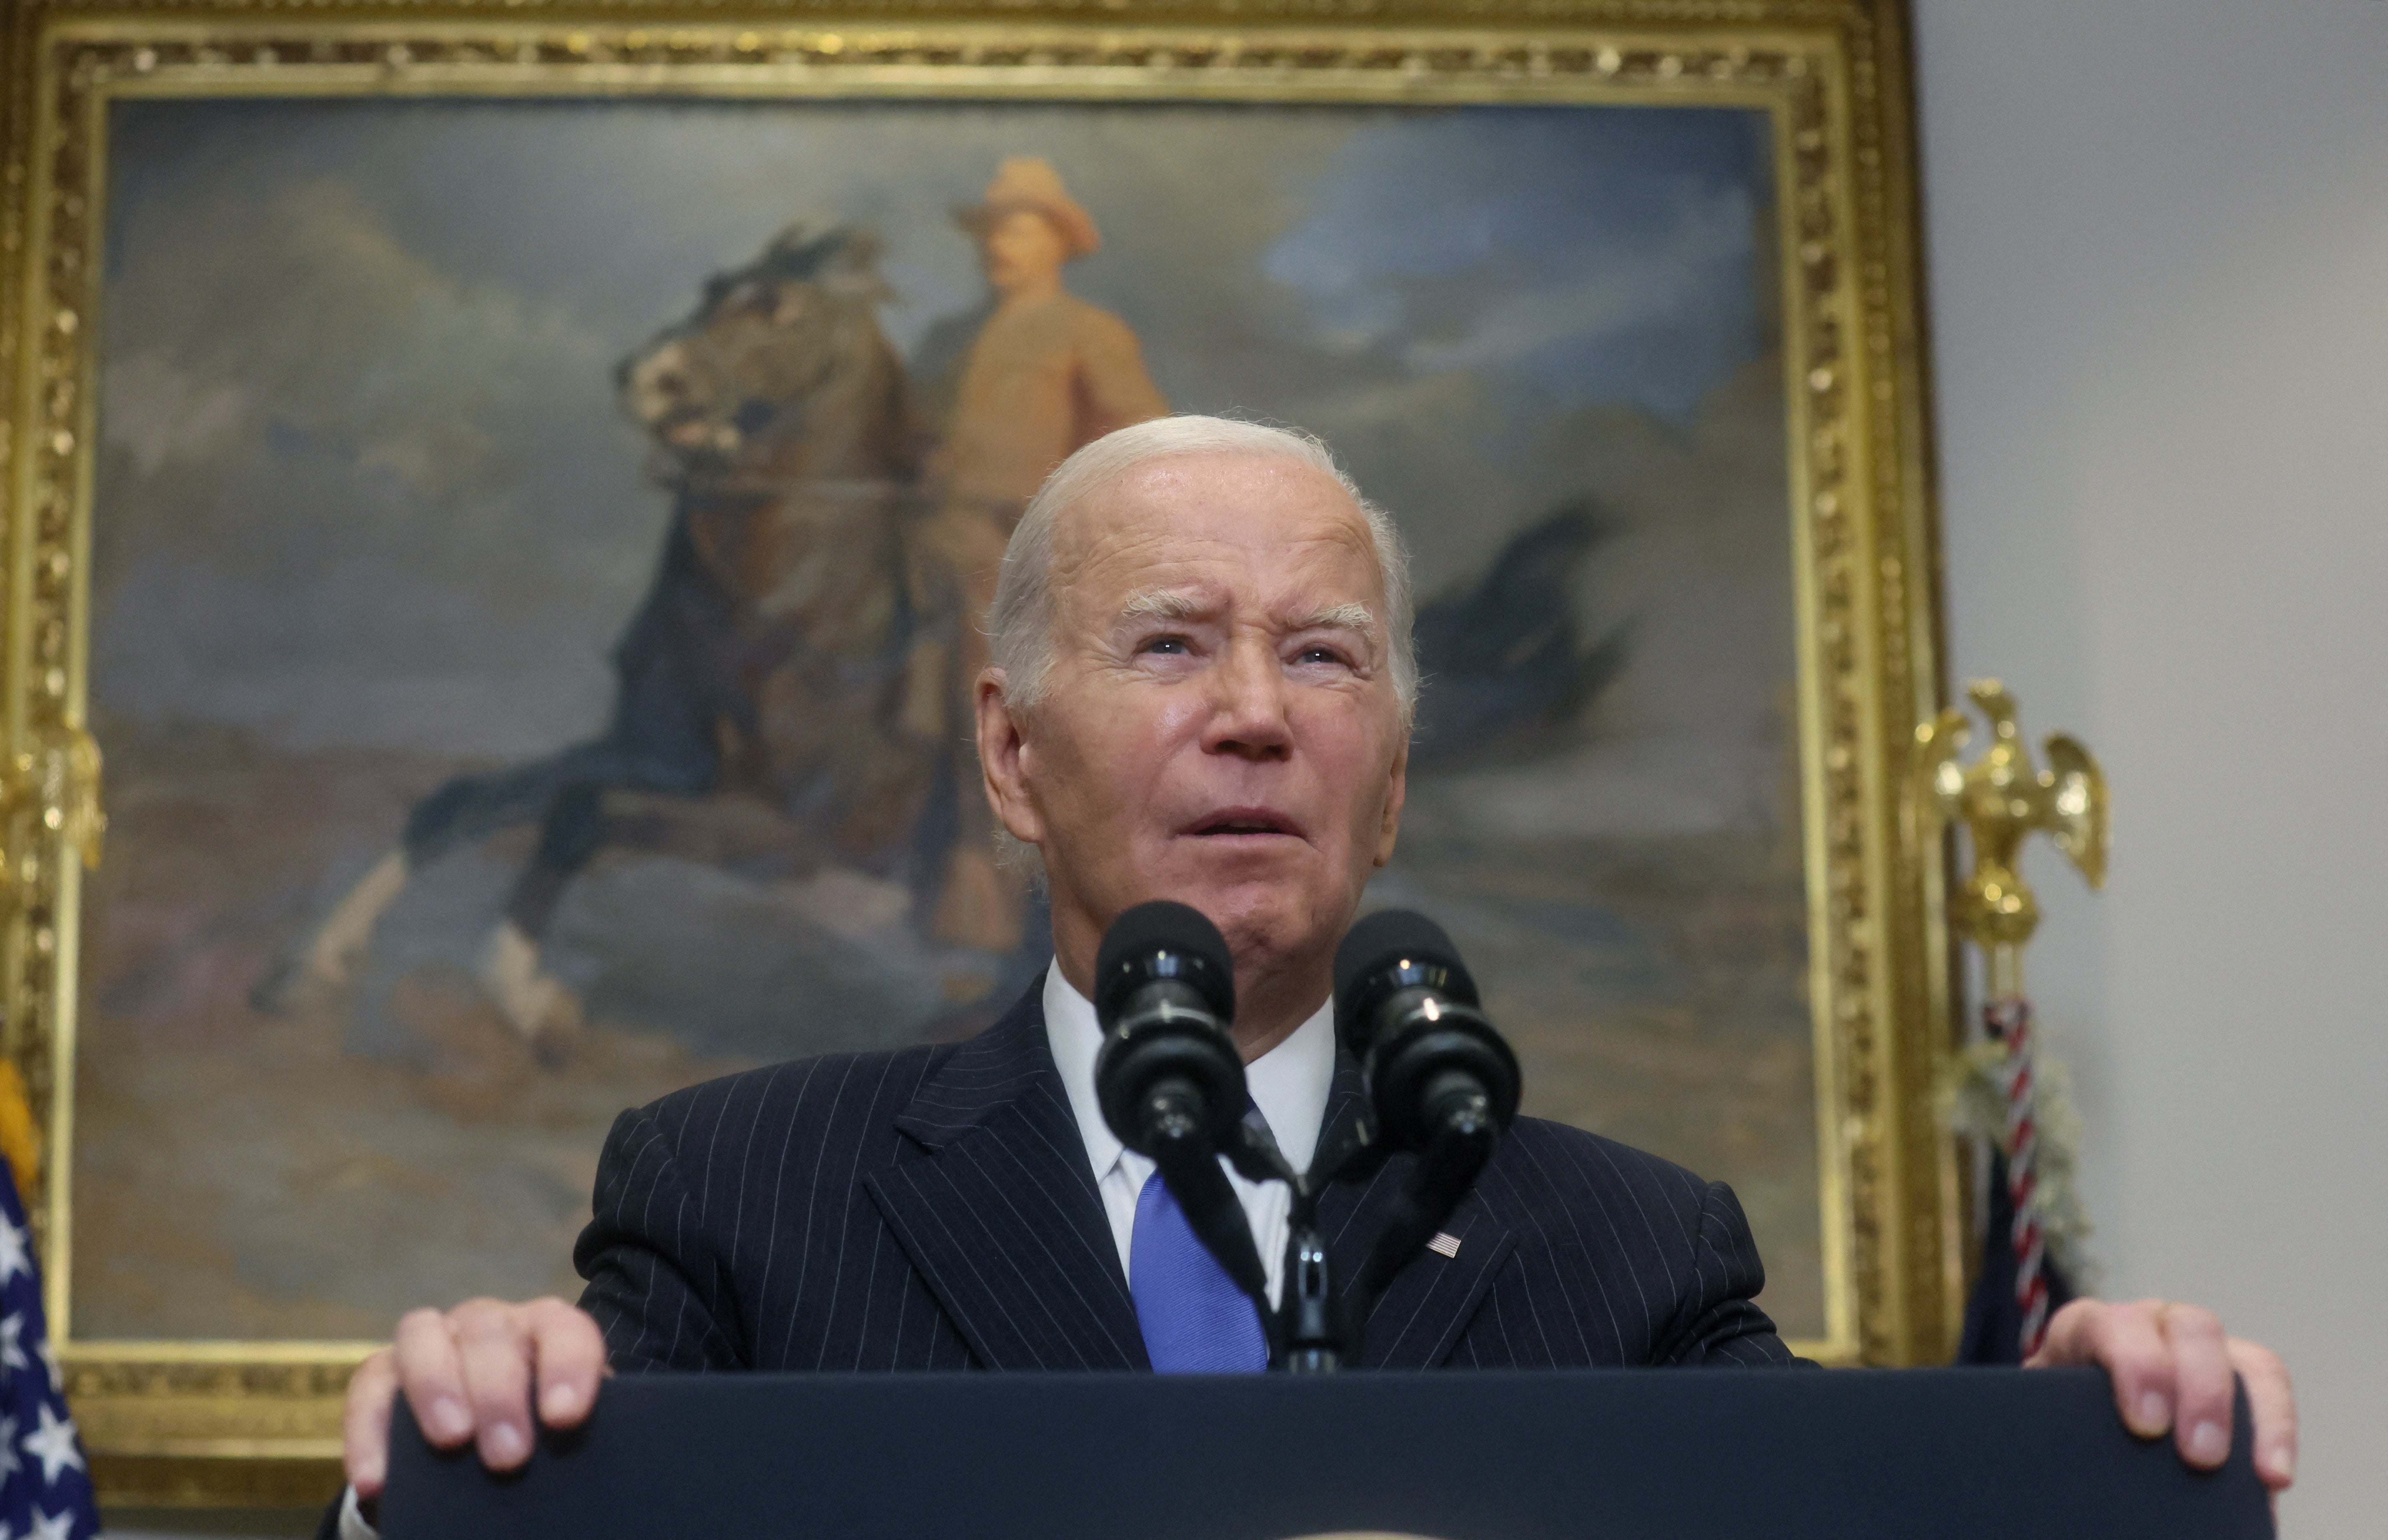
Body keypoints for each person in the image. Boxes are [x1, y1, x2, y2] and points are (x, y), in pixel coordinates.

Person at [330, 417, 2296, 1537]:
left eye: (1328, 657)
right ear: (1013, 756)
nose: (1258, 718)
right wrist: (464, 1427)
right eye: (1174, 645)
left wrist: (2070, 1451)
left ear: (1396, 779)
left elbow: (1820, 1520)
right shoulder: (736, 1194)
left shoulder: (1628, 1251)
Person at [910, 156, 1170, 953]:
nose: (999, 245)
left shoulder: (1086, 334)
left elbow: (1141, 452)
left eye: (1018, 228)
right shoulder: (947, 341)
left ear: (1058, 241)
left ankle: (1015, 932)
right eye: (992, 230)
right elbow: (911, 444)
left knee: (994, 729)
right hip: (925, 550)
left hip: (1022, 564)